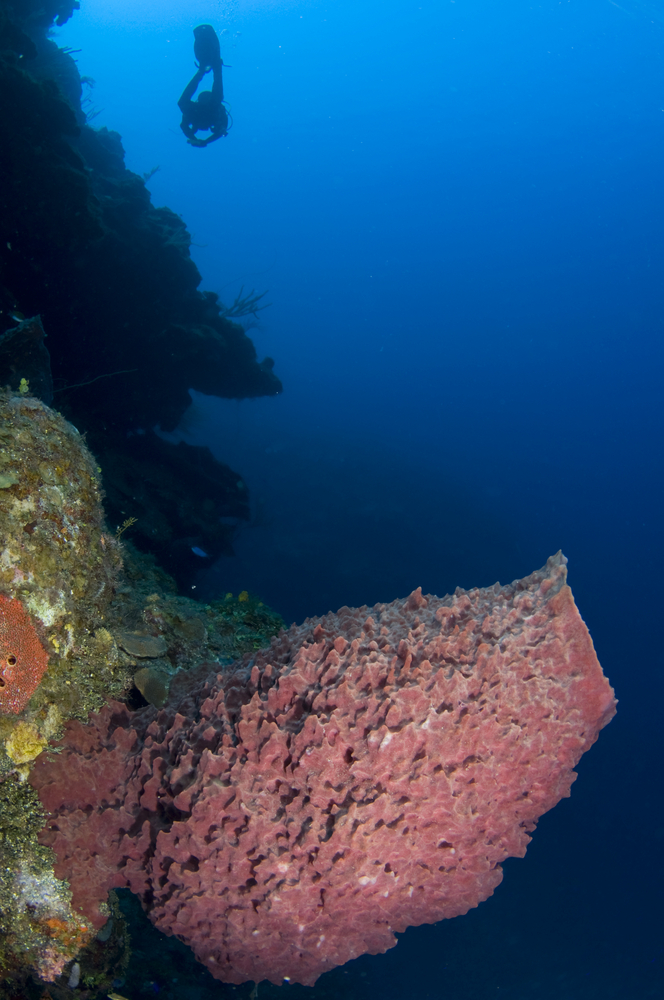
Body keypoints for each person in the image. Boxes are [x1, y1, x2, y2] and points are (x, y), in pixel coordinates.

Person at [178, 25, 228, 147]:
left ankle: (204, 71)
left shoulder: (195, 113)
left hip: (202, 111)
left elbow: (184, 126)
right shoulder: (216, 109)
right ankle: (215, 69)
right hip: (209, 110)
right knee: (217, 100)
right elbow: (220, 132)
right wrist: (203, 141)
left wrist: (196, 138)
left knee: (182, 103)